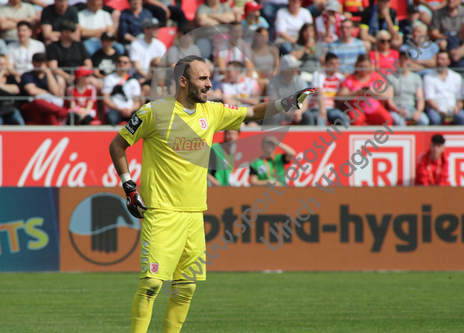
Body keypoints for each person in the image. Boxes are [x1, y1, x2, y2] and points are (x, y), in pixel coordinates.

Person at [108, 54, 316, 333]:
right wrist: (129, 187)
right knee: (152, 284)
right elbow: (117, 145)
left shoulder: (213, 112)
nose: (209, 83)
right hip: (161, 212)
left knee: (186, 288)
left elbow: (253, 112)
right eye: (202, 78)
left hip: (194, 214)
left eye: (209, 77)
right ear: (183, 82)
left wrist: (287, 102)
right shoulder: (153, 112)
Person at [338, 54, 393, 126]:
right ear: (356, 66)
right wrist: (357, 92)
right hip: (356, 110)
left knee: (387, 119)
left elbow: (387, 96)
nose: (363, 69)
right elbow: (341, 97)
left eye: (366, 67)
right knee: (355, 119)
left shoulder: (377, 77)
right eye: (361, 67)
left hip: (375, 109)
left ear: (370, 66)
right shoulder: (349, 79)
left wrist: (373, 92)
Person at [20, 52, 69, 125]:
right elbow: (32, 91)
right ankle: (63, 112)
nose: (40, 64)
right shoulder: (27, 75)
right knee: (38, 101)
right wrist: (48, 93)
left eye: (42, 62)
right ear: (33, 63)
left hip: (48, 108)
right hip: (31, 107)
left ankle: (56, 134)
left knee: (50, 115)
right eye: (38, 62)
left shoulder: (50, 75)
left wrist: (48, 72)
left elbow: (55, 91)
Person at [386, 51, 429, 126]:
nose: (403, 62)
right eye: (401, 59)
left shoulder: (416, 78)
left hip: (412, 109)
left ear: (410, 62)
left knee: (424, 121)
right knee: (400, 123)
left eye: (405, 59)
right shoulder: (391, 77)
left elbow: (420, 99)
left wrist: (418, 112)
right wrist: (398, 110)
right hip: (396, 110)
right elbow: (390, 101)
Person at [46, 20, 92, 91]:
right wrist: (67, 76)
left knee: (94, 82)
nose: (76, 34)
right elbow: (53, 67)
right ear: (64, 33)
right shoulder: (53, 47)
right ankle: (60, 102)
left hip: (80, 75)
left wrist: (81, 75)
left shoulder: (79, 45)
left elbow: (88, 63)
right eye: (73, 31)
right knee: (60, 81)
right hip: (62, 75)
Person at [265, 54, 310, 126]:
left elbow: (305, 102)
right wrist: (289, 114)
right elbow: (273, 102)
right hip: (280, 111)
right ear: (285, 70)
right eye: (293, 67)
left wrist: (299, 112)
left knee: (308, 116)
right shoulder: (274, 81)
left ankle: (310, 137)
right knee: (272, 116)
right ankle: (273, 136)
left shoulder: (300, 81)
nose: (297, 69)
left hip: (296, 111)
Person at [423, 50, 464, 125]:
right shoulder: (428, 77)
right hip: (436, 110)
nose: (439, 61)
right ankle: (436, 137)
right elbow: (429, 99)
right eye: (438, 59)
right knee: (434, 118)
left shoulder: (456, 77)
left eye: (442, 59)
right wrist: (440, 110)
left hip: (453, 110)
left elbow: (460, 99)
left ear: (448, 61)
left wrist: (457, 108)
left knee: (462, 117)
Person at [305, 52, 345, 126]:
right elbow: (319, 92)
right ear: (325, 64)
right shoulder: (318, 74)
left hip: (332, 109)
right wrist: (322, 110)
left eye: (337, 64)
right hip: (316, 107)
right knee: (321, 119)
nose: (335, 66)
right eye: (332, 64)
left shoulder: (341, 78)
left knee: (344, 118)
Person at [102, 54, 142, 125]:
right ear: (116, 63)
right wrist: (120, 109)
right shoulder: (109, 78)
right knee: (111, 118)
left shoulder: (134, 81)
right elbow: (106, 99)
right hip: (114, 110)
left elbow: (137, 102)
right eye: (119, 62)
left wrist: (130, 110)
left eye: (125, 62)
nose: (122, 64)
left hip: (130, 110)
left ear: (130, 65)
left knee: (139, 118)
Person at [251, 27, 279, 95]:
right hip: (258, 78)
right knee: (263, 83)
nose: (264, 38)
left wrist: (273, 74)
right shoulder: (251, 52)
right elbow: (251, 67)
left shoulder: (273, 49)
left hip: (272, 76)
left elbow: (278, 65)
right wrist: (262, 75)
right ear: (256, 37)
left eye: (266, 35)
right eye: (262, 36)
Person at [0, 54, 25, 125]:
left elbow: (16, 90)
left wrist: (1, 85)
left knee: (20, 123)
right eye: (0, 64)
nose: (2, 67)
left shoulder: (10, 77)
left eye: (4, 64)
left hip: (10, 108)